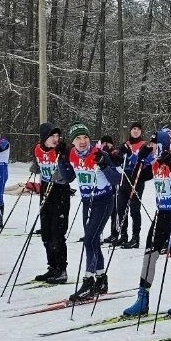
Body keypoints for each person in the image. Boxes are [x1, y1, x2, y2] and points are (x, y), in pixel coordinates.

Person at [123, 128, 171, 318]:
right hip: (161, 214)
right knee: (149, 255)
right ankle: (142, 299)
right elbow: (135, 181)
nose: (151, 147)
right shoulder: (155, 163)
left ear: (162, 145)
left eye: (154, 144)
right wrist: (140, 159)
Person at [54, 122, 120, 302]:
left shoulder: (99, 153)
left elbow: (117, 180)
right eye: (78, 138)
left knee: (90, 240)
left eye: (85, 137)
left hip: (103, 201)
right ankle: (101, 279)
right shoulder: (72, 154)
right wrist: (61, 159)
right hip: (87, 202)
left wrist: (104, 165)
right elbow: (68, 177)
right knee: (93, 241)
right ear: (72, 141)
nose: (82, 141)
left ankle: (88, 281)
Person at [32, 123, 73, 283]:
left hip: (60, 192)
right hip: (45, 191)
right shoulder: (37, 149)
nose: (56, 139)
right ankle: (52, 266)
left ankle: (61, 269)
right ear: (44, 138)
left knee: (57, 233)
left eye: (57, 136)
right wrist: (35, 167)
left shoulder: (62, 150)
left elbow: (71, 174)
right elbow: (38, 164)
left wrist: (62, 165)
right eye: (52, 136)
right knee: (46, 233)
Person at [109, 122, 152, 248]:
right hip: (125, 179)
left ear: (141, 131)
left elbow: (145, 163)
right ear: (130, 131)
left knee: (134, 209)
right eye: (133, 129)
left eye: (138, 129)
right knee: (121, 208)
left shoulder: (144, 145)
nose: (135, 131)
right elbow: (119, 161)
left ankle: (135, 237)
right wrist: (115, 156)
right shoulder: (125, 144)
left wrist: (131, 155)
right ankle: (123, 235)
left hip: (137, 179)